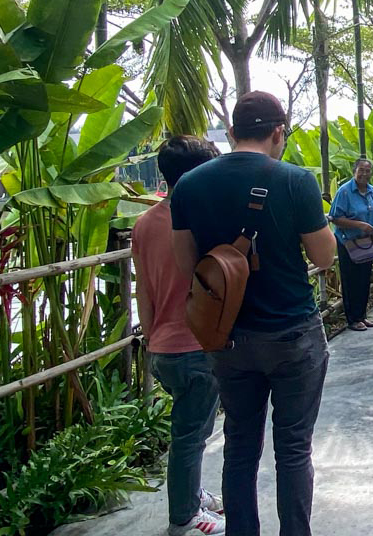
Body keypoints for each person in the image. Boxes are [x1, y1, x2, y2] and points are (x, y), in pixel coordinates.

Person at [171, 91, 337, 536]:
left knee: (240, 447)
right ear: (278, 132)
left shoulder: (188, 186)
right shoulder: (296, 180)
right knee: (293, 449)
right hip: (292, 334)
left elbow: (187, 267)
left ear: (231, 132)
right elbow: (324, 257)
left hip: (228, 337)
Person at [133, 136, 225, 536]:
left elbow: (143, 288)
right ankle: (184, 517)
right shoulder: (202, 221)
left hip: (163, 347)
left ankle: (193, 494)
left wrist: (152, 336)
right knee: (191, 436)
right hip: (196, 345)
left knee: (190, 429)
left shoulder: (144, 223)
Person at [328, 158, 373, 332]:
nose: (364, 174)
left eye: (368, 171)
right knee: (350, 279)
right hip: (348, 241)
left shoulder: (372, 191)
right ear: (354, 171)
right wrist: (359, 225)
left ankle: (361, 315)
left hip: (367, 241)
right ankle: (352, 319)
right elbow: (335, 218)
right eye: (361, 170)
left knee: (364, 278)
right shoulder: (345, 191)